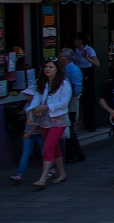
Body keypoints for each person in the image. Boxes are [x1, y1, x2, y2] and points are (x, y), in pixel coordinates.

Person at [23, 59, 71, 189]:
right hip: (44, 119)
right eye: (46, 67)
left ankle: (43, 178)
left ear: (57, 69)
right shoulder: (41, 83)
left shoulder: (64, 84)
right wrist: (30, 113)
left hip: (58, 119)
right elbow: (35, 100)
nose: (47, 69)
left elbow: (63, 103)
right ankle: (62, 173)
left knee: (48, 147)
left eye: (51, 67)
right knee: (54, 147)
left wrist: (45, 107)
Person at [58, 48, 85, 163]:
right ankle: (70, 153)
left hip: (71, 103)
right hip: (64, 102)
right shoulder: (62, 69)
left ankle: (77, 153)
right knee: (67, 129)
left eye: (61, 57)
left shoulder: (74, 70)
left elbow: (77, 89)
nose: (59, 59)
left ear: (66, 58)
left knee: (70, 129)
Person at [72, 32, 99, 130]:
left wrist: (87, 58)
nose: (74, 41)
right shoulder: (75, 51)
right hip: (77, 72)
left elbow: (97, 63)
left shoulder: (89, 49)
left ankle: (90, 124)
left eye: (76, 39)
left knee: (88, 98)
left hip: (87, 72)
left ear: (80, 40)